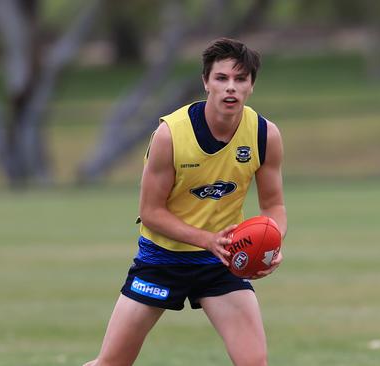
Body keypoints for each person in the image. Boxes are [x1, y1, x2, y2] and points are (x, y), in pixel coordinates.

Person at [84, 38, 287, 366]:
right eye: (221, 78)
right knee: (112, 363)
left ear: (251, 85)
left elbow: (274, 205)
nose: (230, 88)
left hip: (221, 263)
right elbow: (149, 212)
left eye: (240, 79)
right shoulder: (171, 134)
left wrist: (272, 243)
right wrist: (207, 240)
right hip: (162, 259)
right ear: (206, 82)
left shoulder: (265, 135)